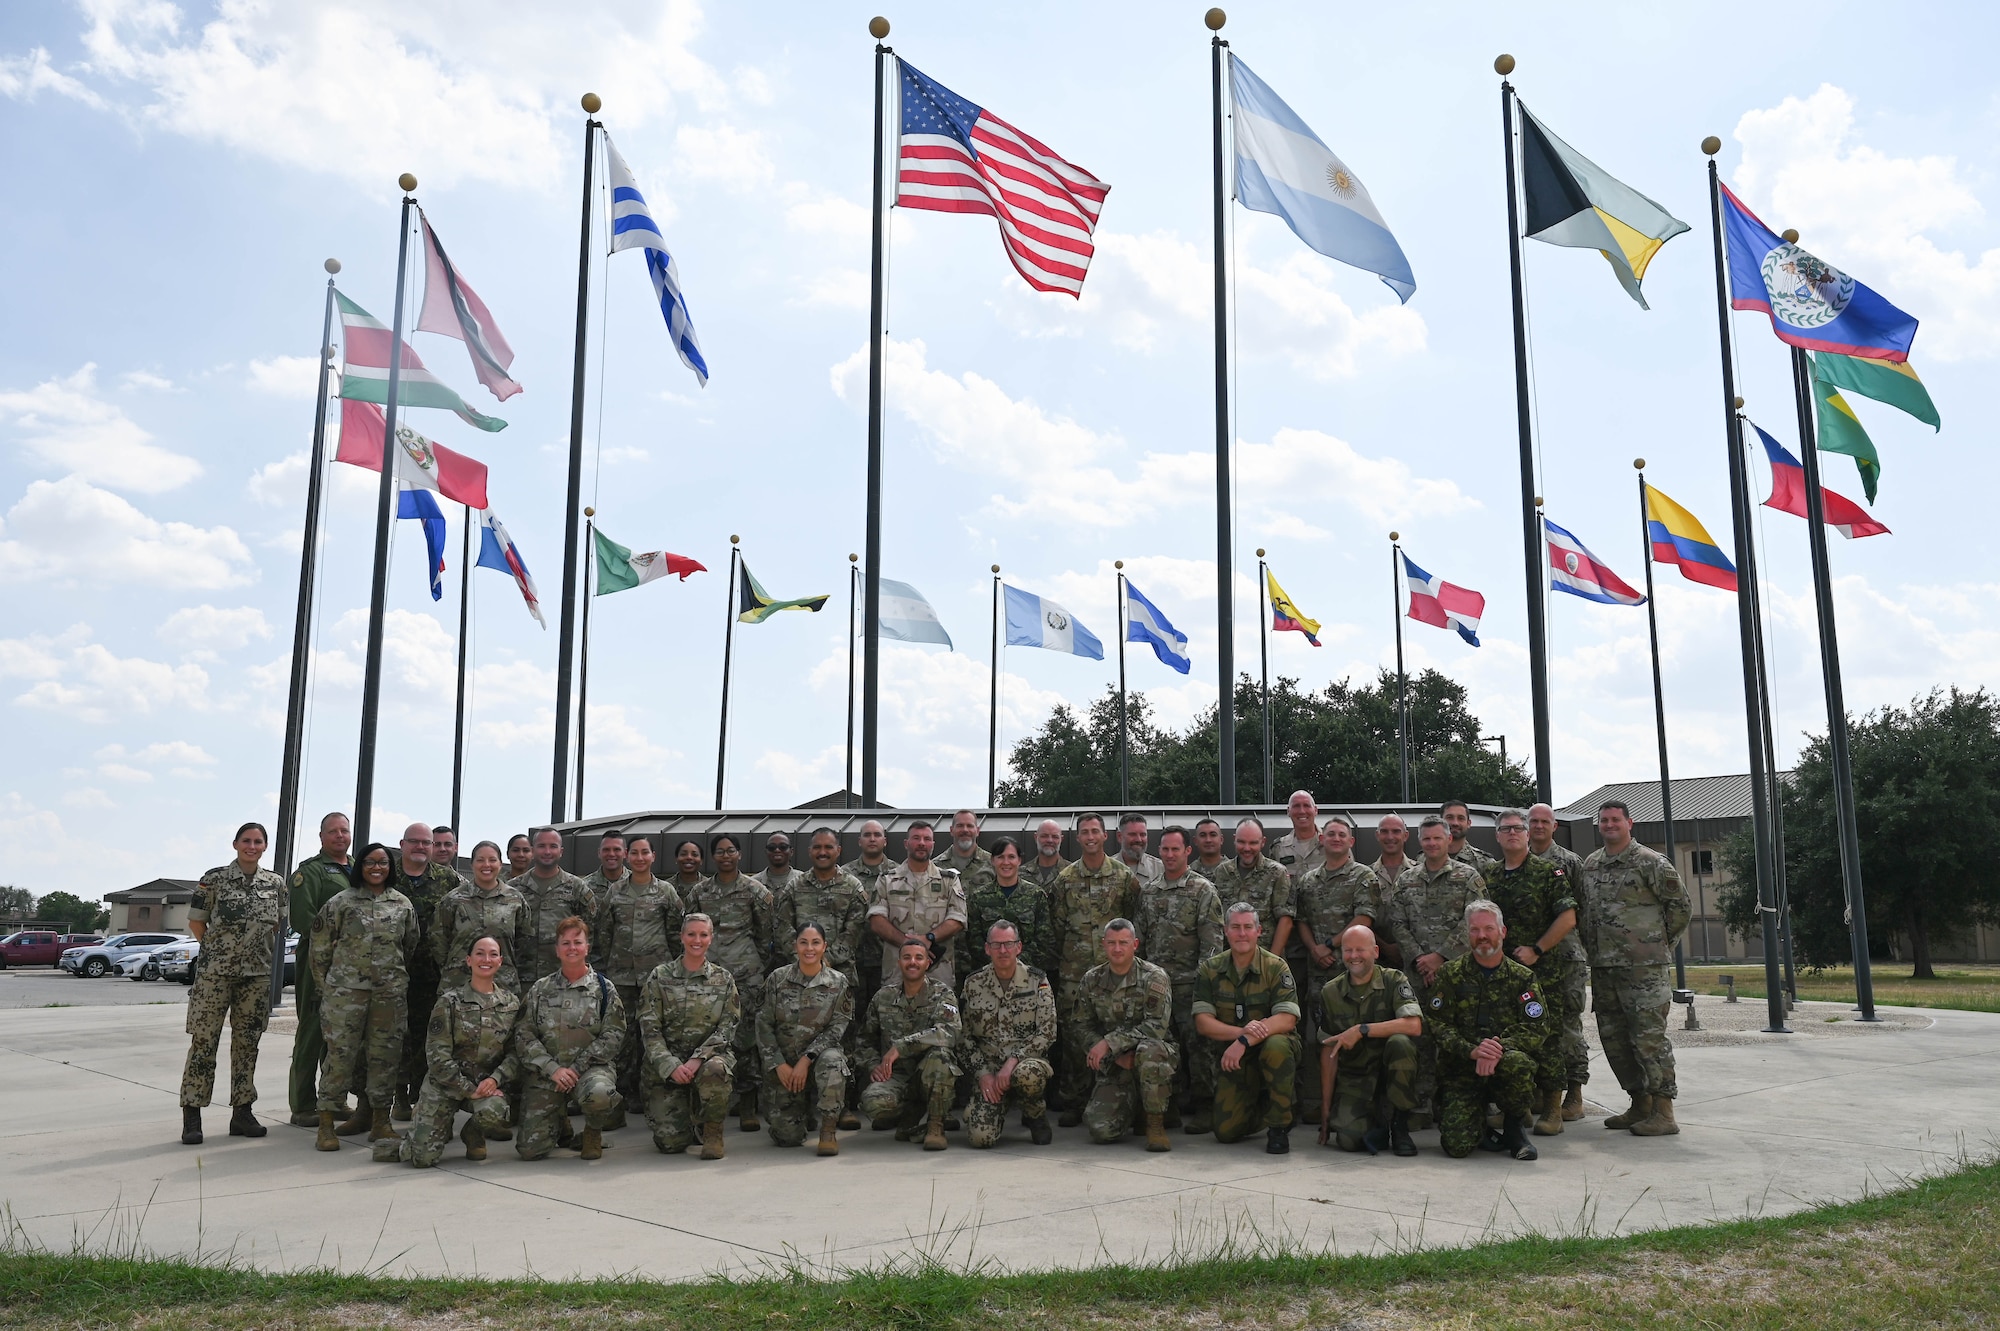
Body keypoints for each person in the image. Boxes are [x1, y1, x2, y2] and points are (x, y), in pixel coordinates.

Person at [1579, 801, 1691, 1138]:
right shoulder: (1591, 864)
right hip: (1604, 968)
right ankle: (1639, 1103)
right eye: (1604, 820)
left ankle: (1664, 1111)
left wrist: (1657, 946)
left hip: (1644, 971)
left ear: (1630, 823)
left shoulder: (1650, 862)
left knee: (1649, 1040)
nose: (1610, 825)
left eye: (1616, 820)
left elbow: (1680, 908)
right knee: (1615, 1040)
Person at [179, 821, 287, 1146]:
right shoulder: (214, 879)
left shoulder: (276, 883)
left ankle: (242, 1111)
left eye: (257, 841)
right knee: (204, 1043)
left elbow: (278, 924)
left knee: (247, 1045)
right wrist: (216, 950)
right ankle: (192, 1115)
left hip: (255, 977)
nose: (251, 846)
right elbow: (197, 922)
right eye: (246, 841)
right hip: (215, 976)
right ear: (235, 844)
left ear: (265, 846)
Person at [1481, 809, 1584, 1136]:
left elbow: (1568, 918)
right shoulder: (1490, 875)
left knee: (1548, 1038)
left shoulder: (1548, 872)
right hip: (1503, 974)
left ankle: (1552, 1108)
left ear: (1527, 835)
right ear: (1497, 836)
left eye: (1518, 828)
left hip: (1543, 973)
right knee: (1508, 1037)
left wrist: (1537, 949)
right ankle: (1518, 1107)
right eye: (1505, 829)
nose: (1512, 833)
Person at [310, 841, 420, 1148]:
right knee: (340, 1058)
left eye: (383, 863)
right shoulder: (341, 902)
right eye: (370, 862)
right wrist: (327, 988)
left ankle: (381, 1122)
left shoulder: (402, 904)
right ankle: (326, 1124)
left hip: (389, 995)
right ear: (360, 866)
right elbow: (319, 949)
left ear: (390, 868)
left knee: (385, 1057)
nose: (376, 868)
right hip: (345, 995)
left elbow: (409, 945)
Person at [1383, 815, 1485, 1124]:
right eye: (1426, 839)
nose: (1431, 844)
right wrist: (1419, 959)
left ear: (1448, 840)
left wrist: (1440, 957)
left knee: (1459, 1040)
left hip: (1458, 975)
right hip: (1416, 975)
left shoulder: (1469, 877)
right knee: (1420, 1041)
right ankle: (1421, 1106)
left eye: (1437, 839)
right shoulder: (1406, 880)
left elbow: (1475, 923)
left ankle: (1458, 1105)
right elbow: (1397, 924)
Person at [1429, 900, 1547, 1161]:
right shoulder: (1450, 974)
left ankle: (1514, 1127)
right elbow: (1437, 1024)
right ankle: (1479, 1123)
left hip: (1503, 1064)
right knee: (1457, 1147)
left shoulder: (1522, 977)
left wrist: (1496, 1049)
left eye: (1489, 929)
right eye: (1475, 930)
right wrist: (1472, 1051)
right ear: (1467, 934)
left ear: (1502, 932)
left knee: (1519, 1063)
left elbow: (1536, 1027)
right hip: (1462, 1068)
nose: (1482, 936)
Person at [387, 935, 520, 1167]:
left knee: (496, 1110)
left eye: (493, 954)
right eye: (479, 953)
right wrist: (467, 1089)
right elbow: (437, 1056)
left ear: (500, 961)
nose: (486, 959)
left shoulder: (511, 1004)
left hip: (484, 1086)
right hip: (446, 1085)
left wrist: (495, 1079)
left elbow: (515, 1053)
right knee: (420, 1159)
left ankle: (473, 1133)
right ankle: (413, 1137)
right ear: (469, 960)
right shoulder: (449, 1002)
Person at [772, 829, 871, 1128]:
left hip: (840, 979)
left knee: (844, 1042)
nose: (823, 852)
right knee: (799, 1038)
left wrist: (824, 961)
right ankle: (804, 1103)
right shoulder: (794, 886)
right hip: (799, 979)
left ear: (838, 850)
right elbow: (783, 927)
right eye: (817, 847)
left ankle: (844, 1105)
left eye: (829, 847)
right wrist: (806, 958)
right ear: (809, 851)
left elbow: (854, 931)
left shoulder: (853, 887)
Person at [1048, 813, 1141, 1124]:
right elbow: (1058, 927)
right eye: (1084, 832)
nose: (1090, 836)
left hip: (1113, 971)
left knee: (1111, 1031)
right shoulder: (1064, 880)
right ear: (1078, 838)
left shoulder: (1124, 877)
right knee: (1075, 1034)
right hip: (1074, 973)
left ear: (1105, 836)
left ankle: (1114, 1096)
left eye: (1095, 831)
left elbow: (1130, 922)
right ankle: (1074, 1101)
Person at [515, 916, 625, 1161]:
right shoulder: (540, 989)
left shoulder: (604, 989)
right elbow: (524, 1034)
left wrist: (575, 1068)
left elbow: (613, 1035)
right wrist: (552, 1068)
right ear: (557, 950)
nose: (572, 948)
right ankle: (560, 1122)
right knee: (530, 1150)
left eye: (578, 942)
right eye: (565, 943)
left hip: (589, 1071)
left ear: (587, 947)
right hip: (549, 1074)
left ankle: (592, 1132)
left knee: (599, 1093)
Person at [1290, 815, 1376, 1125]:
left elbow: (1364, 918)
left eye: (1342, 834)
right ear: (1321, 841)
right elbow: (1300, 920)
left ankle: (1359, 1104)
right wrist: (1315, 949)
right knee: (1324, 1037)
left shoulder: (1363, 876)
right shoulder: (1308, 880)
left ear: (1351, 842)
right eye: (1331, 834)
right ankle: (1328, 1102)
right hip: (1320, 973)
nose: (1336, 839)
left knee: (1359, 1035)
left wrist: (1330, 944)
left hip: (1355, 972)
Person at [1135, 826, 1222, 1132]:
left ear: (1188, 851)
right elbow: (1140, 940)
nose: (1170, 855)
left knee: (1197, 1048)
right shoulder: (1150, 891)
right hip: (1157, 987)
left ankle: (1205, 1106)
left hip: (1190, 984)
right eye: (1165, 849)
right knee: (1161, 1046)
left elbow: (1211, 942)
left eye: (1176, 849)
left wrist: (1204, 983)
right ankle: (1166, 1107)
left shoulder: (1203, 889)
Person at [685, 833, 774, 1132]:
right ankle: (709, 1102)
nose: (725, 856)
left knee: (746, 1038)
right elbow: (689, 933)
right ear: (713, 857)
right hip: (708, 979)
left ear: (739, 855)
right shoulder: (699, 892)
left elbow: (765, 936)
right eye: (720, 851)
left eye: (731, 850)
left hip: (746, 975)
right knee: (706, 1035)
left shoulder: (755, 891)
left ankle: (747, 1102)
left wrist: (752, 963)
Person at [1194, 904, 1300, 1153]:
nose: (1242, 934)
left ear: (1259, 931)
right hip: (1235, 1057)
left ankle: (1279, 1126)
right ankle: (1269, 1104)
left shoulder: (1275, 967)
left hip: (1272, 1050)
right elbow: (1202, 1022)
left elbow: (1287, 1019)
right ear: (1225, 931)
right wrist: (1240, 1034)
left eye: (1248, 927)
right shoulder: (1210, 969)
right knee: (1226, 1132)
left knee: (1276, 1045)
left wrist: (1246, 1040)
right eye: (1236, 927)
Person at [595, 833, 685, 1118]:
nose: (639, 858)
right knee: (622, 1037)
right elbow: (604, 932)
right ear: (627, 856)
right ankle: (623, 1092)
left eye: (645, 852)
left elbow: (674, 933)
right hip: (621, 975)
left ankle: (653, 1091)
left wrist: (672, 972)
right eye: (634, 853)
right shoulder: (615, 892)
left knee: (654, 1033)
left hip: (655, 976)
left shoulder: (666, 892)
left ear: (653, 856)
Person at [637, 913, 738, 1160]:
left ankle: (712, 1131)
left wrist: (697, 1059)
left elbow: (728, 1026)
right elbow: (649, 1028)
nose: (697, 940)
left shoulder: (723, 979)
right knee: (670, 1143)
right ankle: (688, 1115)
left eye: (703, 935)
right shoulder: (660, 976)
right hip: (668, 1068)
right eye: (691, 934)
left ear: (711, 939)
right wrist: (670, 1065)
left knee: (716, 1069)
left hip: (706, 1062)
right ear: (682, 937)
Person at [1315, 924, 1422, 1156]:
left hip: (1390, 1073)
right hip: (1356, 1078)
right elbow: (1329, 1052)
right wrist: (1325, 1112)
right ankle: (1378, 1126)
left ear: (1375, 951)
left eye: (1360, 950)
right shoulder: (1330, 992)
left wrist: (1362, 1030)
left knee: (1401, 1043)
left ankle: (1400, 1126)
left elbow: (1413, 1025)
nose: (1354, 957)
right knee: (1348, 1142)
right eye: (1348, 950)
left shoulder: (1394, 980)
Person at [1078, 919, 1177, 1151]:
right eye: (1111, 943)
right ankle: (1135, 1107)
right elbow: (1081, 1026)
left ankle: (1155, 1123)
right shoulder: (1092, 980)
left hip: (1155, 1056)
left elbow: (1155, 1026)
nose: (1117, 949)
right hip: (1115, 1063)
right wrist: (1113, 1055)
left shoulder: (1154, 977)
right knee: (1100, 1129)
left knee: (1148, 1050)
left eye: (1123, 942)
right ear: (1103, 944)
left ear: (1135, 944)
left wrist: (1110, 1043)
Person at [389, 822, 466, 1121]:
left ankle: (420, 1096)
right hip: (392, 972)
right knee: (395, 1038)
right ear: (403, 844)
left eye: (426, 843)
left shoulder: (449, 880)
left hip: (431, 975)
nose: (420, 847)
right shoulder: (386, 875)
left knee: (426, 1037)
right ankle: (396, 1097)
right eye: (414, 842)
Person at [758, 923, 855, 1154]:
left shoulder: (839, 982)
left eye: (815, 943)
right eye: (803, 942)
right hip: (785, 1065)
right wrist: (778, 1064)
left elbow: (837, 1027)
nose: (809, 948)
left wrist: (806, 1059)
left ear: (824, 947)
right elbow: (763, 1025)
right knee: (787, 1137)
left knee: (834, 1062)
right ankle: (802, 1113)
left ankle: (828, 1131)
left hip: (818, 1059)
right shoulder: (777, 979)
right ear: (795, 946)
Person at [960, 920, 1056, 1148]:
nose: (1003, 951)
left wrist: (1013, 1061)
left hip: (1025, 1064)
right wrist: (983, 1074)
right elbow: (963, 1037)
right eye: (997, 945)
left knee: (1028, 1075)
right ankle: (995, 1108)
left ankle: (1035, 1114)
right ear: (987, 949)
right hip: (991, 1071)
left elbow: (1047, 1031)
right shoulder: (973, 983)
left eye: (1008, 944)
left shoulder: (1037, 980)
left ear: (1018, 947)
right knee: (980, 1138)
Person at [858, 938, 961, 1150]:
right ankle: (909, 1118)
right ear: (899, 962)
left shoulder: (942, 994)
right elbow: (864, 1039)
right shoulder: (883, 997)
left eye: (918, 958)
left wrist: (901, 1046)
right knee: (873, 1103)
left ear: (927, 963)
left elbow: (948, 1032)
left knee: (941, 1058)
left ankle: (935, 1126)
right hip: (897, 1075)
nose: (912, 962)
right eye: (907, 957)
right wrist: (873, 1066)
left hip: (930, 1073)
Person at [287, 811, 352, 1127]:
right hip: (319, 962)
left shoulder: (358, 869)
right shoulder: (310, 872)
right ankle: (302, 1104)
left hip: (352, 966)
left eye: (344, 830)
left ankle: (334, 1099)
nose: (340, 836)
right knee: (313, 1030)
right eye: (333, 831)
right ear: (322, 836)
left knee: (340, 1036)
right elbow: (302, 918)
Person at [1529, 801, 1591, 1121]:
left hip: (1566, 957)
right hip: (1530, 961)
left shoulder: (1569, 862)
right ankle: (1542, 1091)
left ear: (1554, 826)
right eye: (1533, 821)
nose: (1538, 826)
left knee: (1567, 1027)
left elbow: (1584, 909)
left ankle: (1575, 1093)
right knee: (1535, 1025)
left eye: (1545, 821)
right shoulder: (1518, 860)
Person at [866, 820, 968, 989]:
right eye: (916, 838)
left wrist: (929, 939)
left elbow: (958, 918)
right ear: (906, 843)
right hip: (897, 973)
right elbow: (877, 921)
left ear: (933, 844)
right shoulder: (887, 880)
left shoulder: (948, 880)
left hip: (938, 972)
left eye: (926, 839)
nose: (921, 843)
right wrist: (911, 946)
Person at [433, 840, 530, 994]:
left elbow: (524, 942)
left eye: (492, 860)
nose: (486, 865)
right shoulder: (453, 900)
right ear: (472, 864)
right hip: (458, 986)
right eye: (480, 860)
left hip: (503, 987)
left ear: (500, 864)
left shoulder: (515, 899)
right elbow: (439, 943)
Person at [510, 828, 597, 990]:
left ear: (561, 851)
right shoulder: (514, 888)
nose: (547, 851)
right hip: (521, 979)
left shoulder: (577, 888)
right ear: (533, 850)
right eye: (542, 846)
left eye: (553, 846)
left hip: (564, 979)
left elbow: (591, 931)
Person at [962, 836, 1055, 984]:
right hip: (987, 979)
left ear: (1019, 860)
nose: (1006, 862)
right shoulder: (978, 898)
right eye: (1000, 857)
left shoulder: (1036, 895)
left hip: (1028, 978)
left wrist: (1015, 965)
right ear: (993, 860)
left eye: (1011, 857)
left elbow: (1044, 940)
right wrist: (998, 963)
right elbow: (973, 941)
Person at [1209, 818, 1294, 954]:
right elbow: (1214, 919)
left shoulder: (1277, 873)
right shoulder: (1221, 872)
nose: (1247, 848)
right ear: (1234, 839)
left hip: (1264, 956)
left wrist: (1271, 962)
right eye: (1242, 842)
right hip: (1229, 959)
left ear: (1263, 842)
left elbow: (1285, 921)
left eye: (1253, 843)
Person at [1268, 792, 1325, 886]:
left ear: (1315, 810)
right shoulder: (1278, 848)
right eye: (1296, 806)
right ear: (1288, 811)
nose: (1302, 811)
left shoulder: (1333, 844)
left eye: (1306, 805)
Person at [1367, 815, 1413, 916]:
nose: (1390, 837)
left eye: (1396, 831)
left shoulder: (1420, 872)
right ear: (1377, 835)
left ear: (1405, 836)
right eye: (1384, 831)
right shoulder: (1366, 875)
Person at [939, 809, 996, 891]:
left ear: (977, 831)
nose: (965, 830)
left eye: (970, 826)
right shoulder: (936, 866)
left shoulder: (994, 864)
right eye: (960, 826)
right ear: (951, 830)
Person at [1442, 800, 1496, 870]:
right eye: (1449, 817)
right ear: (1440, 822)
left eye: (1461, 818)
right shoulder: (1425, 860)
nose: (1455, 823)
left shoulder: (1485, 863)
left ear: (1468, 823)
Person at [1115, 814, 1163, 892]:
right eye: (1132, 834)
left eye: (1143, 835)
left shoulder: (1160, 869)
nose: (1139, 840)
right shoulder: (1106, 868)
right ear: (1119, 836)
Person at [755, 832, 806, 899]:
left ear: (791, 851)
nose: (777, 850)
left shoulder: (804, 881)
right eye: (771, 847)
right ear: (766, 851)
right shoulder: (753, 883)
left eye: (783, 847)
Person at [581, 831, 628, 903]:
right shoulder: (584, 887)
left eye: (616, 849)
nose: (611, 854)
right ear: (599, 853)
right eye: (606, 849)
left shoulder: (637, 884)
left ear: (625, 853)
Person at [1024, 819, 1070, 891]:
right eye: (1044, 836)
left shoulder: (1072, 872)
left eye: (1055, 837)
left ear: (1061, 839)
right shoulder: (1021, 874)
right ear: (1036, 837)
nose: (1050, 840)